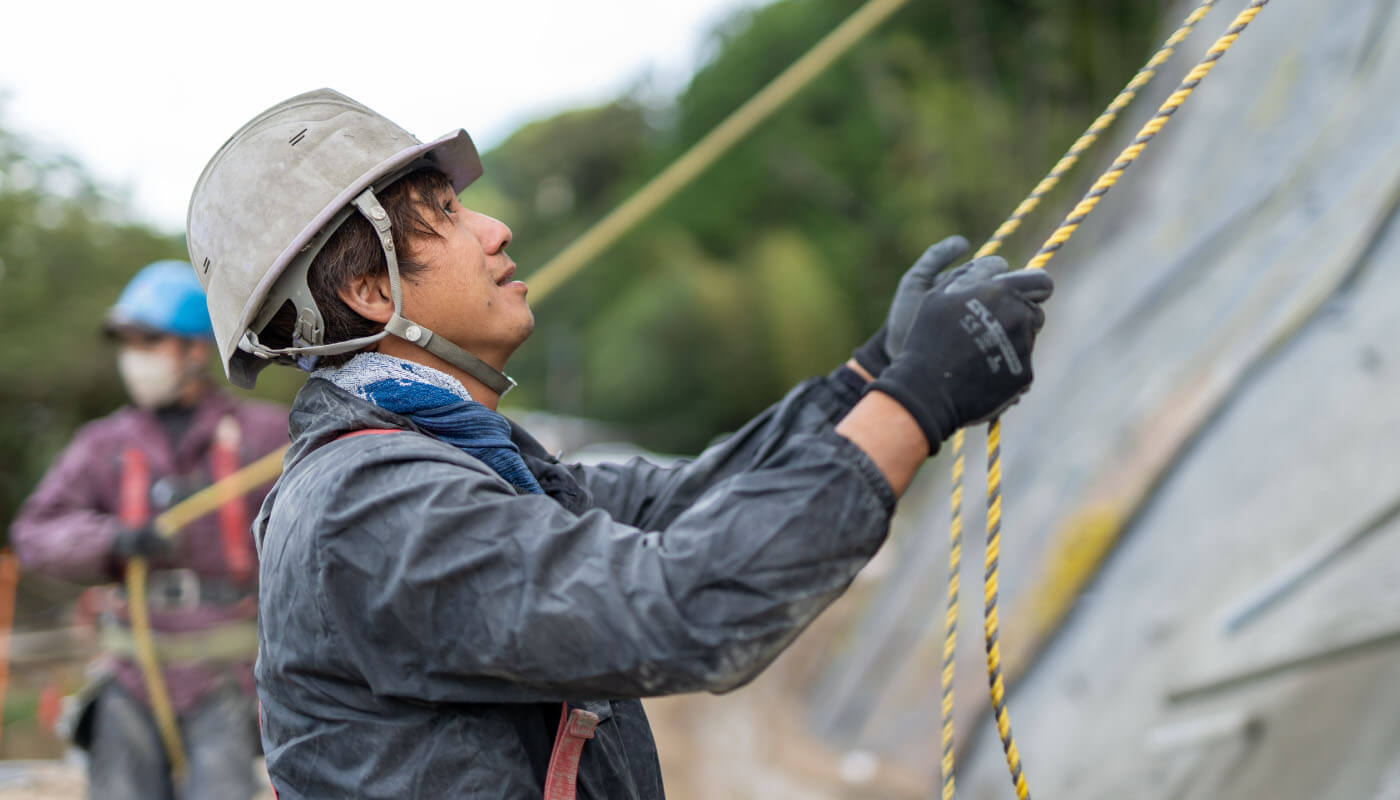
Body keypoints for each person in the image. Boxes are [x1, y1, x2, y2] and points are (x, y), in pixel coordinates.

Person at [185, 89, 1053, 799]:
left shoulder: (454, 460)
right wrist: (920, 401)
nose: (494, 230)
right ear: (374, 289)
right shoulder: (370, 507)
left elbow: (686, 506)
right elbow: (683, 606)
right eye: (446, 213)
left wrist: (871, 380)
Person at [10, 260, 289, 800]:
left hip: (226, 675)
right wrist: (112, 540)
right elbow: (35, 533)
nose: (134, 359)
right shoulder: (103, 444)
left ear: (194, 351)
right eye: (128, 343)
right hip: (130, 672)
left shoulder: (265, 437)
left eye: (150, 341)